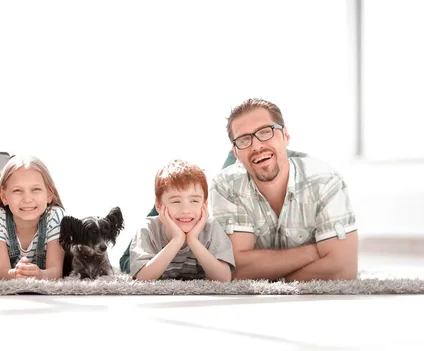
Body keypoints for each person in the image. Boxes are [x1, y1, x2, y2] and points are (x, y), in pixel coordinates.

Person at [211, 98, 358, 281]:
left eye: (265, 132)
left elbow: (343, 269)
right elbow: (235, 268)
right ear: (236, 153)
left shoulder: (325, 181)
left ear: (285, 136)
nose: (256, 146)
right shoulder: (226, 186)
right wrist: (314, 252)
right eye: (244, 140)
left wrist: (271, 276)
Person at [118, 148, 307, 274]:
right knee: (180, 201)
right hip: (154, 250)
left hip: (204, 242)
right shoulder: (155, 225)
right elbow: (139, 274)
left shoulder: (209, 226)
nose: (185, 208)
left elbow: (224, 276)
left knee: (189, 202)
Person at [129, 159, 235, 282]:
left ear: (205, 204)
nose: (185, 210)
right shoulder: (148, 229)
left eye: (194, 201)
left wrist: (192, 240)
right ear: (158, 205)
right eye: (175, 201)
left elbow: (224, 278)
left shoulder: (211, 228)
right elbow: (142, 278)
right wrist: (177, 240)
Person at [0, 155, 66, 280]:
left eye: (36, 189)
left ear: (49, 194)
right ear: (4, 197)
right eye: (17, 190)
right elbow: (1, 272)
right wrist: (15, 274)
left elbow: (55, 272)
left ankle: (4, 178)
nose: (27, 199)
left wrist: (40, 274)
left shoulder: (55, 216)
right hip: (3, 210)